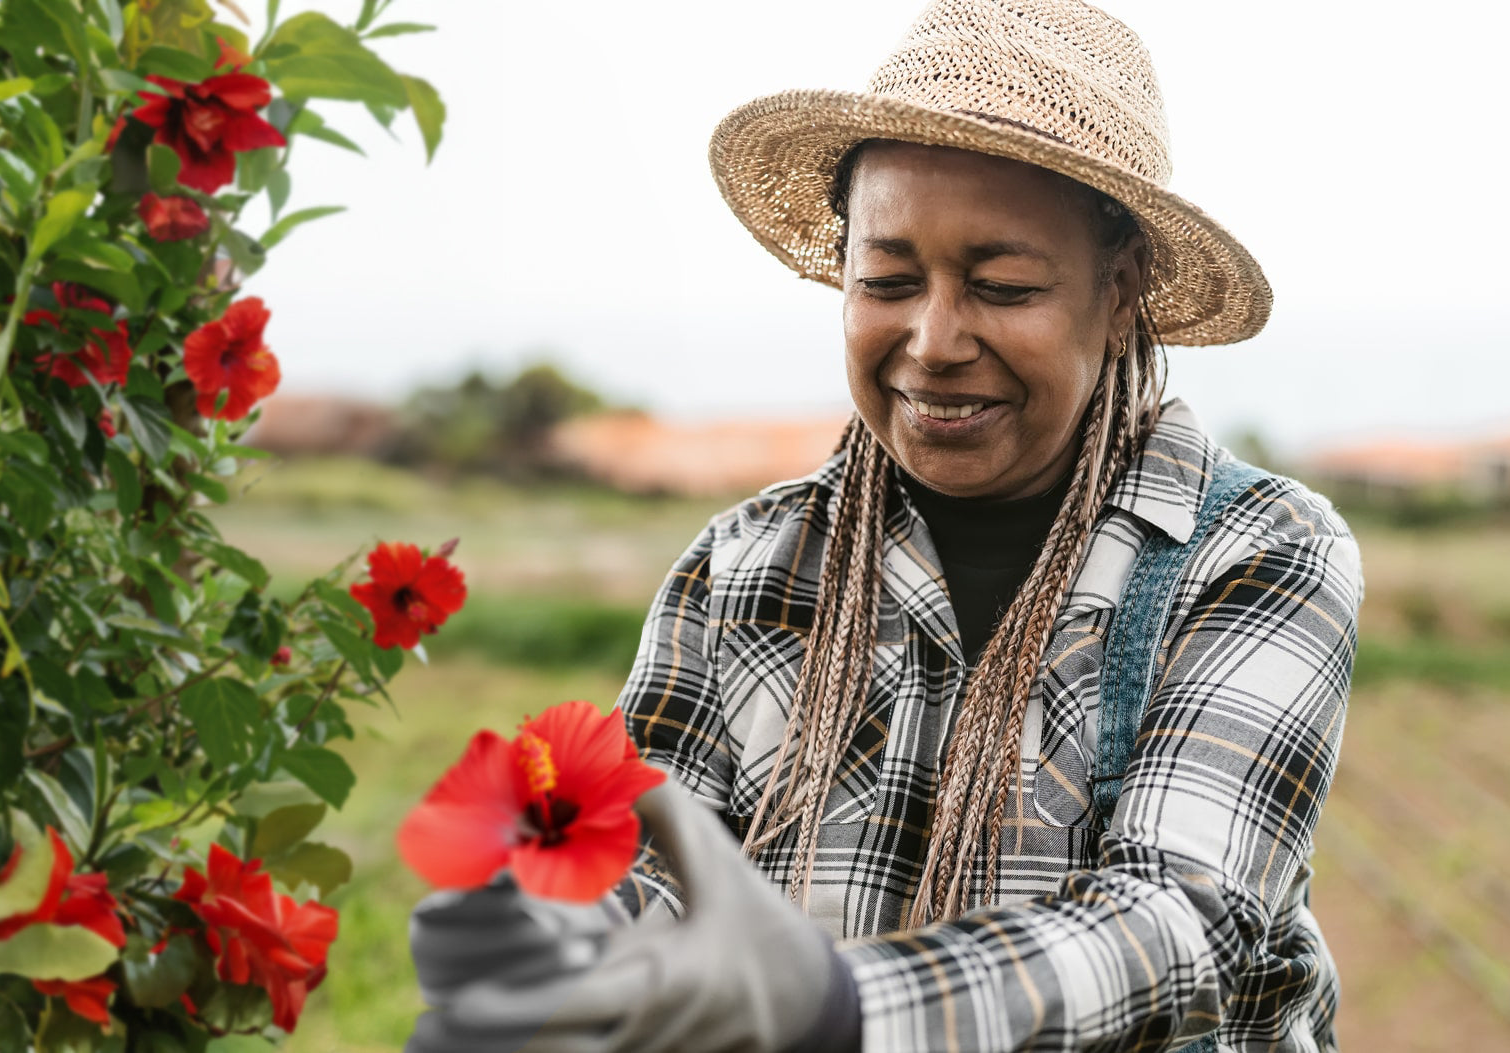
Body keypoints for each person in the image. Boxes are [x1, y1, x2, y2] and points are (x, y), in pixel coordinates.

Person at [406, 0, 1362, 1050]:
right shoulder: (741, 570)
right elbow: (648, 867)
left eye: (1002, 286)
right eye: (887, 280)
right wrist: (561, 945)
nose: (934, 339)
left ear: (1120, 288)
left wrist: (836, 1006)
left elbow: (1185, 922)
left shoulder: (1253, 553)